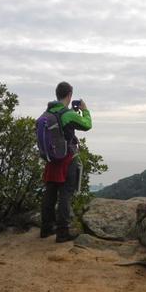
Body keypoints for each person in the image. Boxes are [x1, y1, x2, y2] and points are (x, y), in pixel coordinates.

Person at [40, 81, 92, 243]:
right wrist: (84, 110)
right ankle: (62, 233)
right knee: (65, 194)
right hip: (67, 159)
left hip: (51, 160)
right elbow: (87, 125)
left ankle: (46, 228)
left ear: (57, 94)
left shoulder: (47, 114)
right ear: (69, 95)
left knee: (50, 193)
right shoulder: (68, 114)